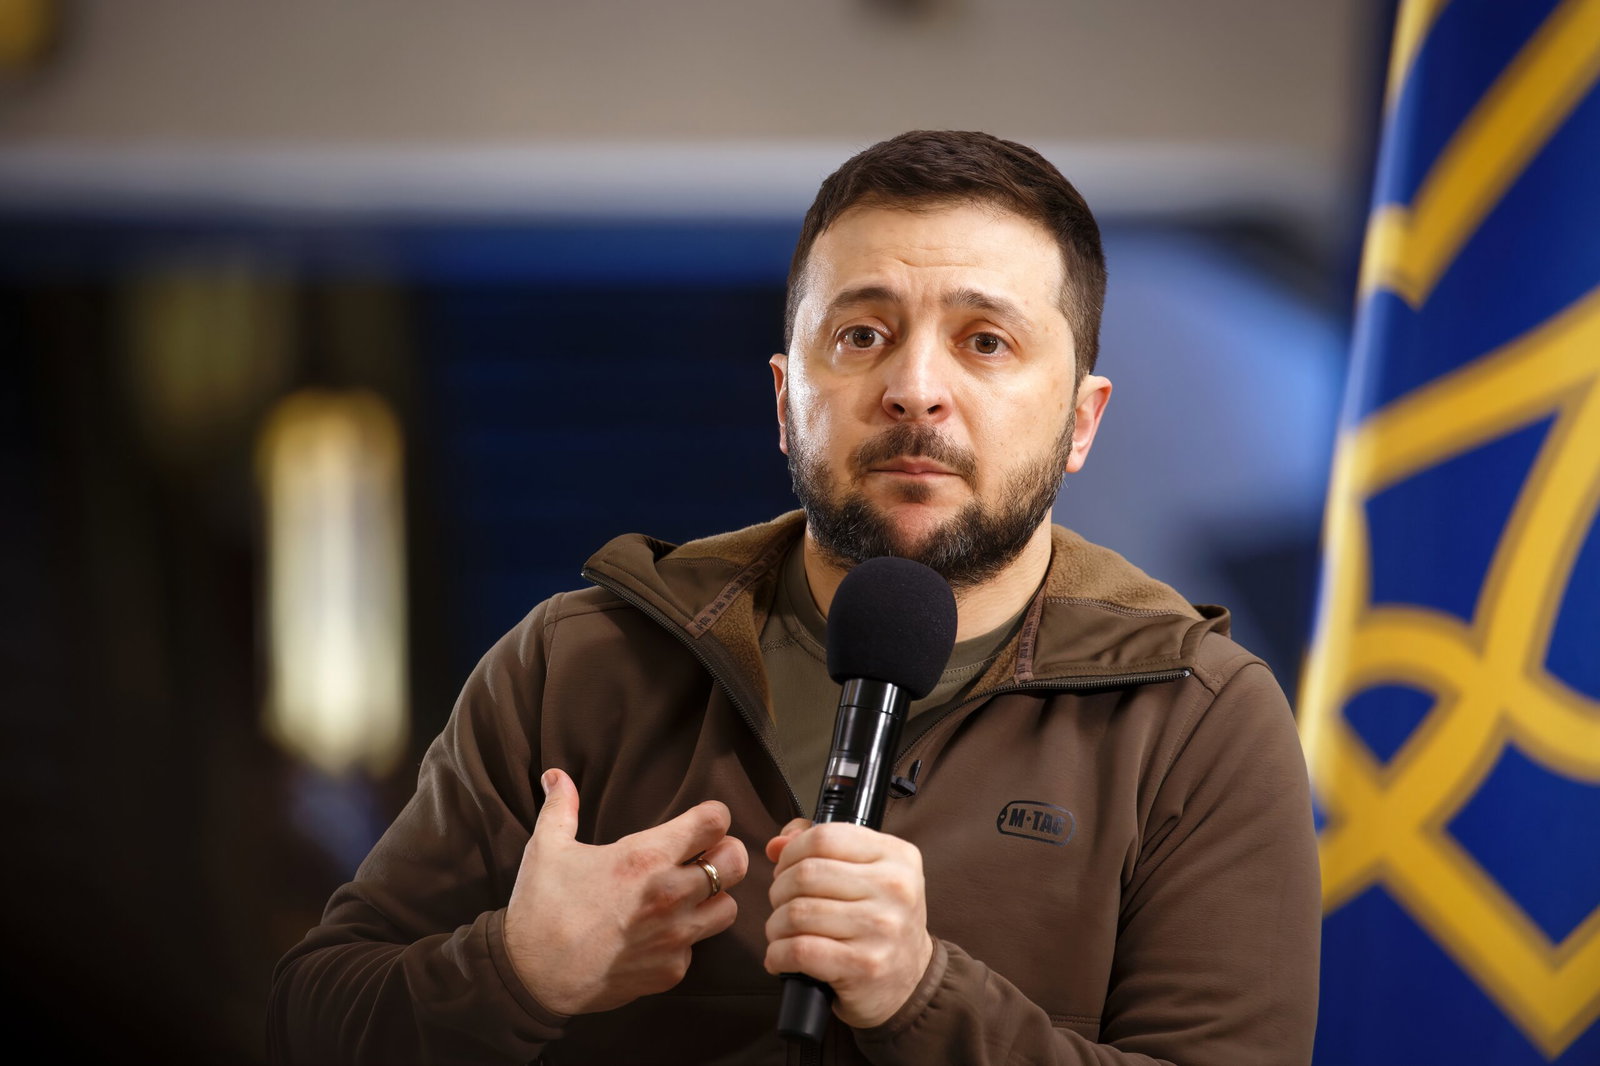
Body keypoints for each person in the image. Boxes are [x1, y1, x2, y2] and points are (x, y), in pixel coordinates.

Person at [268, 130, 1320, 1065]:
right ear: (785, 400)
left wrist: (923, 995)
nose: (915, 389)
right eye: (862, 334)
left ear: (1080, 422)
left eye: (985, 341)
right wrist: (515, 971)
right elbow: (309, 1023)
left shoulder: (1198, 717)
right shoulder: (576, 664)